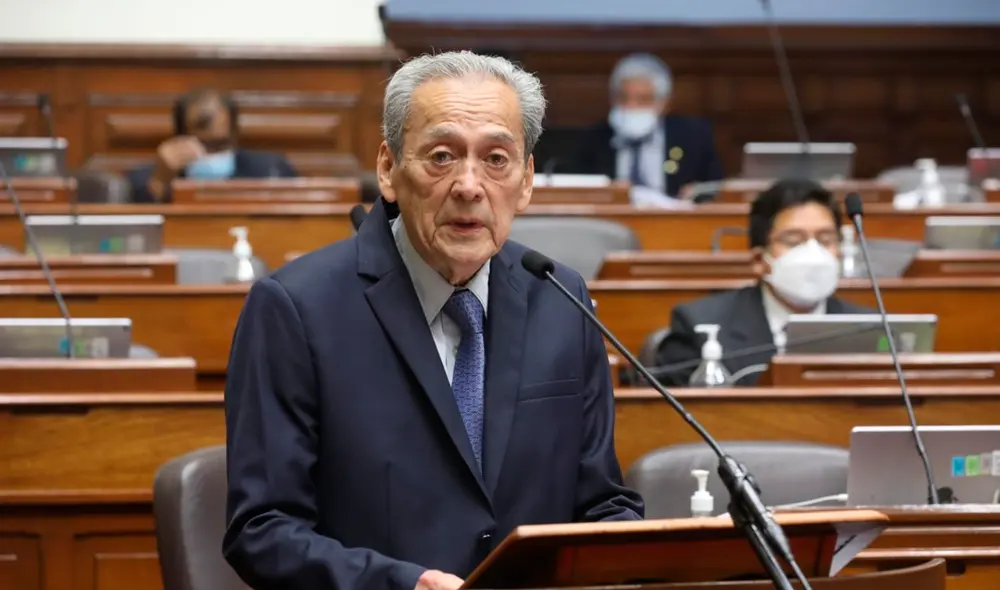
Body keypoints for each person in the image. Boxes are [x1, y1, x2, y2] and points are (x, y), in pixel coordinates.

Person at [223, 51, 643, 590]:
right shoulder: (296, 308)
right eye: (442, 156)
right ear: (388, 169)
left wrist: (634, 547)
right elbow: (262, 529)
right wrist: (404, 585)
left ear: (526, 181)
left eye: (496, 159)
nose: (469, 185)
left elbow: (601, 500)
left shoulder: (560, 296)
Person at [654, 179, 870, 386]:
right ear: (759, 260)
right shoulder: (698, 325)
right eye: (793, 241)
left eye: (825, 240)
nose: (813, 254)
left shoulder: (870, 328)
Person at [574, 53, 723, 200]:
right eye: (623, 98)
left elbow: (716, 189)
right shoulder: (594, 139)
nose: (631, 106)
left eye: (644, 99)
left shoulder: (693, 136)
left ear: (664, 103)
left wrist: (698, 193)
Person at [125, 88, 296, 203]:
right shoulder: (148, 178)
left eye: (219, 145)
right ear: (180, 137)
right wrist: (161, 181)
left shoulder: (271, 171)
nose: (210, 154)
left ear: (235, 134)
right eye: (202, 145)